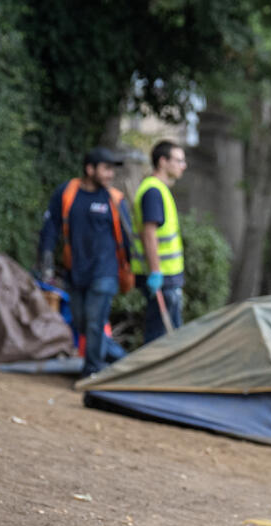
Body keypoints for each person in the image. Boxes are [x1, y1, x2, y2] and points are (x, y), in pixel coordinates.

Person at [38, 147, 136, 377]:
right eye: (106, 168)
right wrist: (46, 256)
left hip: (105, 272)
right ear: (89, 169)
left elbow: (129, 238)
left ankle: (92, 371)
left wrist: (136, 272)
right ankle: (123, 361)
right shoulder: (67, 193)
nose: (110, 174)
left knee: (94, 323)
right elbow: (51, 226)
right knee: (82, 324)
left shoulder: (114, 199)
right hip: (76, 271)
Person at [132, 139, 188, 343]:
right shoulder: (153, 191)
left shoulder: (158, 189)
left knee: (167, 337)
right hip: (162, 279)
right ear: (163, 162)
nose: (184, 165)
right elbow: (149, 234)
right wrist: (155, 272)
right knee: (161, 339)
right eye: (179, 160)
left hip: (167, 278)